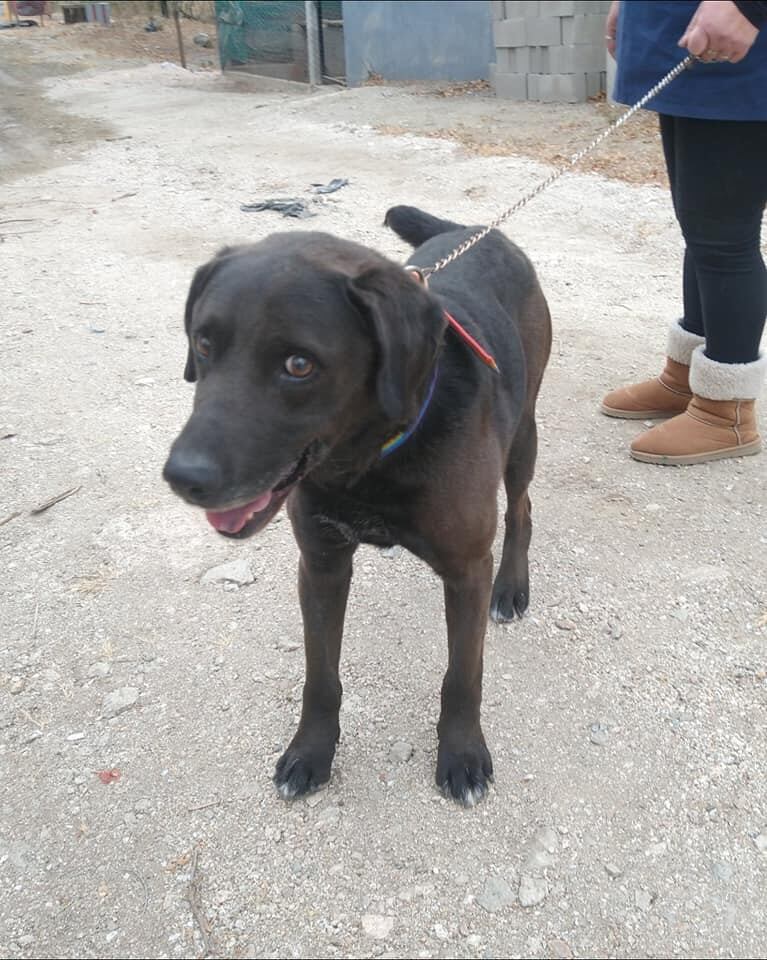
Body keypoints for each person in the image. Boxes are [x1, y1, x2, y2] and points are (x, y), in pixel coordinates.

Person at [601, 0, 767, 464]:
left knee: (725, 235)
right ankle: (688, 377)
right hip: (680, 26)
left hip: (737, 36)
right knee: (700, 224)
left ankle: (725, 410)